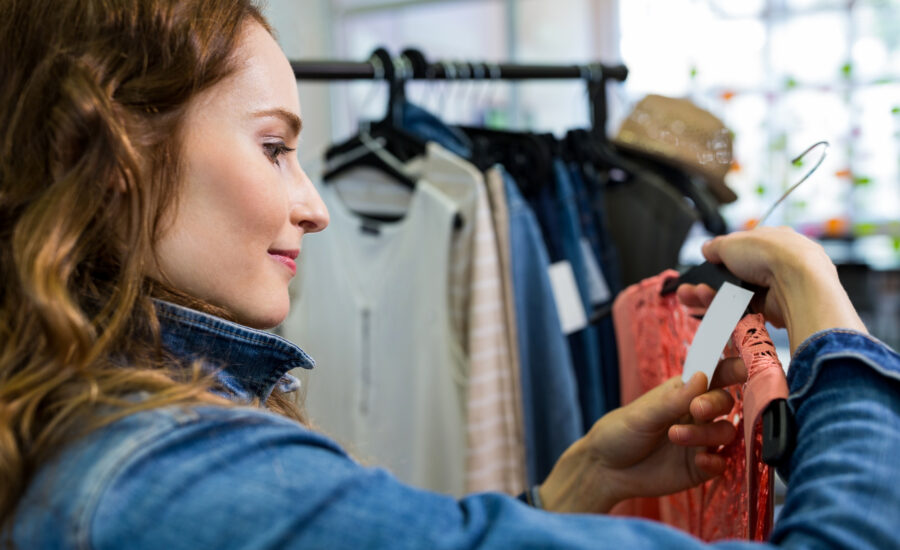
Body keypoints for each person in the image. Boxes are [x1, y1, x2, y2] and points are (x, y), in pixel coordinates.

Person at [1, 1, 897, 548]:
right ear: (115, 153)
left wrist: (574, 486)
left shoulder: (93, 427)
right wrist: (833, 325)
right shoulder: (174, 482)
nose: (314, 207)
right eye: (273, 148)